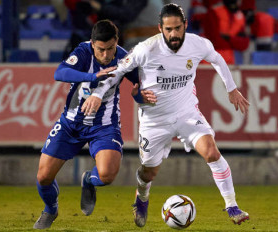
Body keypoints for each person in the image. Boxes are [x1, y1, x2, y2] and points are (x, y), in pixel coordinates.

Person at [81, 3, 250, 227]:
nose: (173, 34)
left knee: (211, 152)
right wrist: (98, 94)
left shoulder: (197, 44)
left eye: (177, 28)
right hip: (154, 120)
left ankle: (232, 206)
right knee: (149, 172)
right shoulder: (146, 49)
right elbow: (118, 71)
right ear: (160, 28)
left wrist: (231, 89)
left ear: (185, 25)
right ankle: (141, 198)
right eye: (168, 29)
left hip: (186, 112)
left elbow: (217, 59)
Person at [33, 19, 155, 230]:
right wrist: (92, 76)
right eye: (101, 50)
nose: (106, 55)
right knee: (43, 176)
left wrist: (139, 97)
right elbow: (59, 73)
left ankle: (89, 180)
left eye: (110, 49)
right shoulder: (82, 51)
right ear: (92, 43)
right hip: (71, 123)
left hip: (104, 126)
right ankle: (50, 209)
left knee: (106, 175)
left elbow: (139, 88)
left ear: (117, 41)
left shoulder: (125, 58)